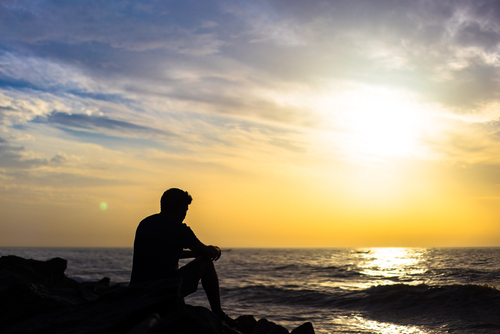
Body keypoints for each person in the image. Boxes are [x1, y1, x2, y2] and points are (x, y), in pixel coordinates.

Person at [130, 188, 231, 321]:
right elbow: (207, 253)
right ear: (180, 209)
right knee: (206, 262)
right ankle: (218, 313)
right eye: (185, 210)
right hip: (164, 290)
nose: (185, 215)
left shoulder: (145, 224)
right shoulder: (179, 229)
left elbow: (164, 254)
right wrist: (216, 249)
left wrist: (194, 254)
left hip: (137, 291)